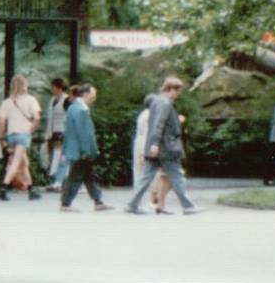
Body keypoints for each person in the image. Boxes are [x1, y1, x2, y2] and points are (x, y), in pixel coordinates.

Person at [126, 77, 200, 215]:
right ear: (171, 89)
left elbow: (156, 123)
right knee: (177, 176)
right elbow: (159, 124)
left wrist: (152, 144)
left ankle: (132, 204)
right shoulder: (165, 103)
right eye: (178, 91)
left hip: (156, 147)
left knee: (145, 178)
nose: (179, 94)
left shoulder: (156, 102)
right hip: (165, 147)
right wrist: (155, 143)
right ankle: (188, 206)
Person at [58, 84, 110, 212]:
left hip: (75, 148)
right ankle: (65, 203)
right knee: (75, 176)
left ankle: (98, 201)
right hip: (81, 150)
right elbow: (84, 133)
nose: (94, 98)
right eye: (93, 95)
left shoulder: (73, 108)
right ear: (85, 94)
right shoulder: (81, 110)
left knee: (89, 175)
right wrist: (87, 150)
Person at [0, 74, 42, 198]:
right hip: (23, 134)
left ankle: (31, 189)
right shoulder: (31, 100)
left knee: (24, 163)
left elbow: (2, 122)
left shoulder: (6, 102)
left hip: (11, 135)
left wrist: (1, 137)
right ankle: (4, 187)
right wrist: (30, 130)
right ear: (25, 85)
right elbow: (37, 118)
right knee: (17, 162)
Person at [44, 78, 70, 184]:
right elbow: (50, 117)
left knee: (60, 156)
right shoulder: (53, 100)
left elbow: (69, 116)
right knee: (54, 156)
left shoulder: (66, 99)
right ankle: (57, 178)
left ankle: (59, 179)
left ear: (59, 87)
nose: (52, 89)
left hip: (62, 131)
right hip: (53, 132)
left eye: (53, 87)